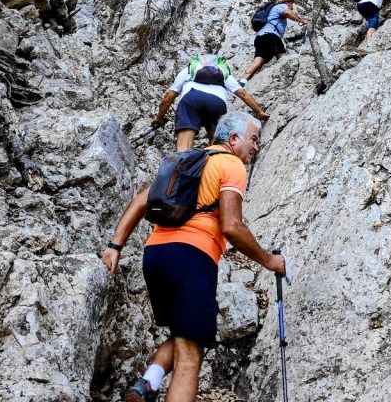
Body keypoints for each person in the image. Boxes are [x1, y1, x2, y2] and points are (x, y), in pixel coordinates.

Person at [101, 112, 286, 402]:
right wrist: (268, 260)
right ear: (233, 139)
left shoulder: (186, 159)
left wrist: (115, 245)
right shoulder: (231, 164)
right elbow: (231, 226)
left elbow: (141, 198)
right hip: (192, 256)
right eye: (253, 139)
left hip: (156, 255)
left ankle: (148, 383)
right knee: (191, 353)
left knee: (184, 333)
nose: (255, 147)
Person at [152, 53, 270, 151]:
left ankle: (181, 173)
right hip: (216, 102)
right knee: (215, 145)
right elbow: (243, 95)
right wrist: (258, 112)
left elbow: (168, 98)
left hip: (191, 99)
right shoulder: (224, 74)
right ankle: (211, 170)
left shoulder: (189, 70)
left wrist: (160, 117)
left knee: (183, 146)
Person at [242, 0, 306, 82]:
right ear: (287, 2)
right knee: (282, 57)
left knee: (258, 61)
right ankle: (288, 80)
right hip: (271, 36)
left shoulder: (273, 10)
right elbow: (288, 13)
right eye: (291, 3)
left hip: (260, 37)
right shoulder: (281, 6)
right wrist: (302, 21)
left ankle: (242, 81)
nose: (292, 6)